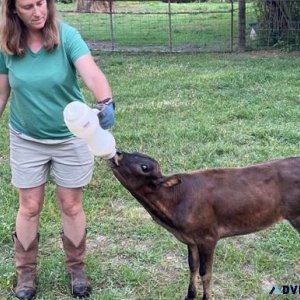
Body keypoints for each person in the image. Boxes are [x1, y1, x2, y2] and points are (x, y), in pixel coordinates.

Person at [0, 0, 115, 298]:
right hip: (26, 137)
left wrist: (105, 101)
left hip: (71, 137)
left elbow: (90, 73)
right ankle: (25, 275)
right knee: (29, 206)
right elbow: (1, 91)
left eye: (42, 3)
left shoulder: (67, 36)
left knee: (71, 205)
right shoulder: (6, 44)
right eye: (28, 6)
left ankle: (77, 269)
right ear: (14, 10)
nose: (38, 11)